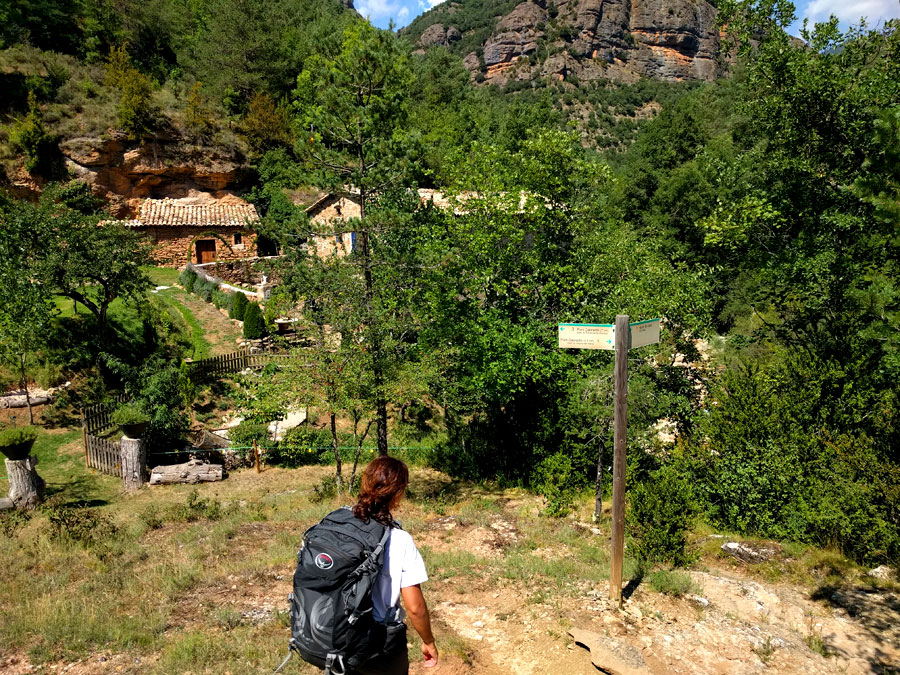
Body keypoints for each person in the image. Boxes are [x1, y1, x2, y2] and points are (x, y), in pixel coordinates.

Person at [350, 456, 438, 674]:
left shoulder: (341, 525)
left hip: (339, 635)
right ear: (398, 494)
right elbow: (415, 608)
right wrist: (428, 641)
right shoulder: (399, 539)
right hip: (380, 643)